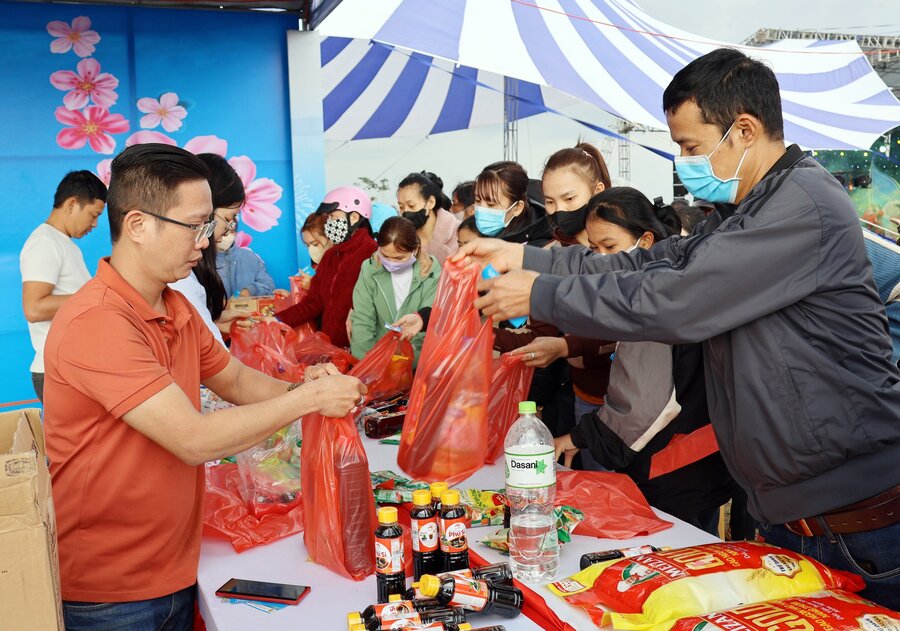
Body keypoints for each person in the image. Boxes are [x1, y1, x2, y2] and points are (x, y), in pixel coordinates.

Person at [458, 48, 900, 608]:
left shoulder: (801, 206)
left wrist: (542, 294)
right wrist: (531, 261)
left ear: (743, 130)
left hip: (856, 521)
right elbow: (650, 263)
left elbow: (677, 300)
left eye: (691, 146)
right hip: (798, 513)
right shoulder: (745, 211)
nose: (685, 160)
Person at [42, 144, 366, 630]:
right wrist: (308, 400)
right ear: (137, 226)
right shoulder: (98, 321)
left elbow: (235, 379)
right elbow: (192, 438)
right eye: (195, 226)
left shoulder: (174, 307)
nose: (207, 240)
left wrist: (305, 383)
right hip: (111, 590)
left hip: (175, 565)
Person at [552, 187, 737, 533]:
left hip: (671, 470)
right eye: (593, 249)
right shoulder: (678, 280)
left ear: (646, 241)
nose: (601, 260)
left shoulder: (649, 300)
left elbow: (639, 408)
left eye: (610, 247)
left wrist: (576, 437)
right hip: (706, 457)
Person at [20, 170, 106, 402]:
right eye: (93, 214)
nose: (95, 224)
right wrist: (99, 297)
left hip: (72, 367)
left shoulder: (64, 244)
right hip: (57, 370)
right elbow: (34, 308)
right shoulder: (44, 243)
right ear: (72, 204)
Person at [275, 186, 376, 347]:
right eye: (328, 218)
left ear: (355, 217)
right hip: (331, 349)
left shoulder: (373, 254)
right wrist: (277, 320)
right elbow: (313, 304)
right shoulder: (330, 256)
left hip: (361, 350)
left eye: (333, 217)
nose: (329, 223)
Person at [169, 153, 244, 344]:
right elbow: (221, 370)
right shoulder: (180, 281)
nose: (228, 231)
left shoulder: (186, 279)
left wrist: (211, 324)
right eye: (228, 220)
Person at [350, 216, 439, 365]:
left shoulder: (430, 273)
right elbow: (363, 320)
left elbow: (430, 321)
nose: (391, 263)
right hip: (377, 358)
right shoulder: (370, 269)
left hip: (416, 362)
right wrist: (366, 364)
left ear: (415, 249)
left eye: (399, 258)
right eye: (385, 256)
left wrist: (406, 362)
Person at [542, 142, 611, 247]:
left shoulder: (629, 245)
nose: (559, 209)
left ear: (597, 191)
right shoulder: (548, 255)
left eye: (569, 199)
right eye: (550, 202)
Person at [473, 161, 552, 247]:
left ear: (517, 208)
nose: (481, 209)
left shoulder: (536, 248)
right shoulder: (474, 234)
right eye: (477, 200)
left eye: (491, 204)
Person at [397, 172, 460, 266]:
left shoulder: (459, 233)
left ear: (430, 202)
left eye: (411, 205)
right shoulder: (398, 238)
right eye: (401, 207)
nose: (406, 211)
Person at [215, 218, 275, 298]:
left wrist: (250, 290)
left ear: (236, 233)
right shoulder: (204, 262)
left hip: (246, 310)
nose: (227, 235)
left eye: (231, 231)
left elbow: (268, 286)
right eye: (224, 231)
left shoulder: (250, 258)